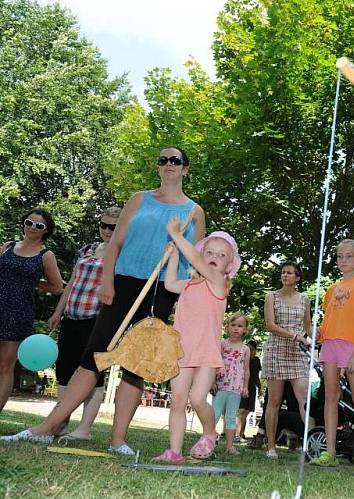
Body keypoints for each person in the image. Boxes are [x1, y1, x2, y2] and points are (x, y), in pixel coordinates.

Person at [1, 147, 205, 455]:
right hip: (123, 283)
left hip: (161, 289)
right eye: (162, 160)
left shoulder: (194, 212)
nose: (168, 165)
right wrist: (107, 282)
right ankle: (47, 428)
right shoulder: (140, 199)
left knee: (137, 366)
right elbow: (116, 243)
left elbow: (195, 259)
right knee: (94, 356)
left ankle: (118, 440)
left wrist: (178, 257)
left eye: (174, 160)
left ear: (185, 169)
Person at [153, 226, 241, 463]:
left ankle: (210, 433)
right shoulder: (191, 284)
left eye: (222, 255)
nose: (214, 257)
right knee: (178, 401)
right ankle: (174, 452)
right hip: (183, 350)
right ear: (203, 255)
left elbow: (192, 257)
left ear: (229, 266)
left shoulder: (218, 283)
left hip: (206, 352)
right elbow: (170, 284)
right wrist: (173, 257)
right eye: (210, 252)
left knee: (198, 399)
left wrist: (177, 236)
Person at [46, 206, 121, 440]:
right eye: (103, 225)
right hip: (72, 316)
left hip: (98, 320)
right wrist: (58, 311)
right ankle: (59, 423)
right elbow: (71, 284)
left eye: (113, 227)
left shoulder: (122, 254)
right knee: (65, 372)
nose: (107, 230)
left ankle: (84, 429)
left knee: (94, 374)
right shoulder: (87, 249)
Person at [309, 240, 354, 472]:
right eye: (340, 256)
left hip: (352, 346)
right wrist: (317, 333)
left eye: (349, 256)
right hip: (330, 344)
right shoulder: (331, 290)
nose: (343, 260)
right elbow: (329, 321)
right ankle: (329, 452)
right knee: (330, 396)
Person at [0, 207, 64, 413]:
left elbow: (57, 287)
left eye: (39, 225)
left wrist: (33, 282)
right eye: (29, 222)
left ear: (46, 230)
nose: (32, 228)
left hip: (18, 313)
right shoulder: (8, 247)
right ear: (24, 223)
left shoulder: (46, 255)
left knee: (4, 367)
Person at [262, 261, 312, 459]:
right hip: (277, 350)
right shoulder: (271, 297)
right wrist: (294, 335)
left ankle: (311, 445)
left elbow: (307, 327)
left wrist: (319, 341)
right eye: (283, 272)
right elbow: (270, 325)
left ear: (297, 277)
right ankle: (271, 446)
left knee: (304, 400)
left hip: (298, 352)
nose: (285, 275)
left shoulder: (304, 299)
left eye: (289, 273)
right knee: (274, 400)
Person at [211, 313, 250, 455]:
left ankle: (229, 446)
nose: (236, 329)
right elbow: (215, 363)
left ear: (245, 330)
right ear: (228, 327)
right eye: (233, 325)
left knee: (231, 416)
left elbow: (246, 370)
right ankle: (209, 440)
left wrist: (245, 386)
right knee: (214, 414)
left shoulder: (245, 349)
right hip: (221, 386)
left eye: (240, 326)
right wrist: (213, 381)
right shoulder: (222, 344)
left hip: (235, 388)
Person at [236, 340, 261, 441]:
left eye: (251, 349)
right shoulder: (242, 359)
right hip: (242, 387)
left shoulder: (257, 360)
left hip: (252, 388)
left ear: (255, 350)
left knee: (246, 412)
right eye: (247, 349)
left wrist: (259, 386)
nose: (249, 351)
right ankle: (237, 434)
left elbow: (256, 375)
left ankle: (242, 434)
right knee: (240, 410)